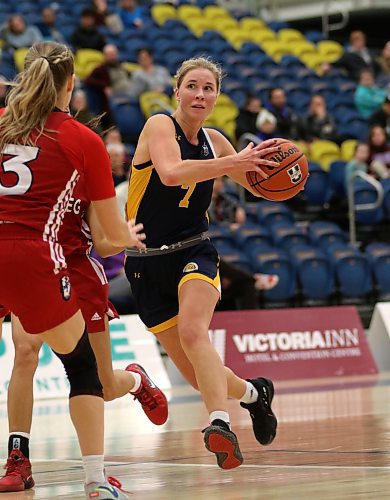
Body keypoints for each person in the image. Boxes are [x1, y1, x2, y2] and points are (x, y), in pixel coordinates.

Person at [0, 41, 151, 499]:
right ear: (71, 85)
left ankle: (26, 459)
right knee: (78, 367)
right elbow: (111, 236)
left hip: (63, 257)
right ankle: (93, 480)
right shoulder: (84, 139)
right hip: (34, 256)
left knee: (43, 357)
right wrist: (130, 234)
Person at [124, 56, 279, 470]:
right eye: (192, 86)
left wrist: (283, 172)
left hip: (193, 250)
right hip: (145, 261)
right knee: (200, 375)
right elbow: (171, 172)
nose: (200, 94)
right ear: (177, 91)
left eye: (208, 88)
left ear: (216, 96)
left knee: (196, 333)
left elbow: (259, 187)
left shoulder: (217, 140)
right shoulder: (159, 125)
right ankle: (253, 394)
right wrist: (231, 163)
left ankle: (220, 424)